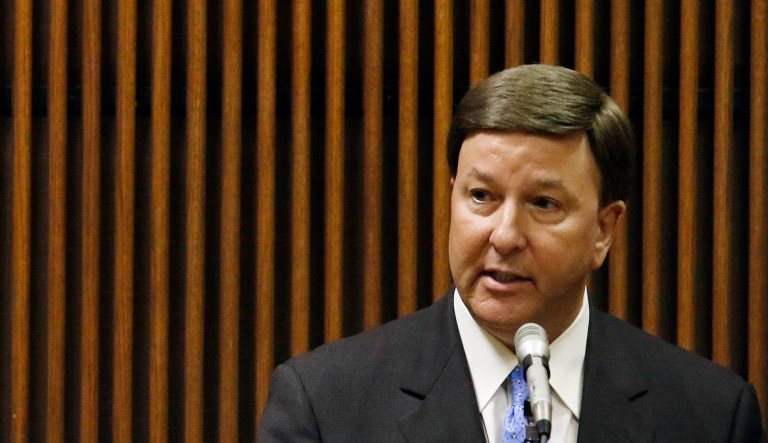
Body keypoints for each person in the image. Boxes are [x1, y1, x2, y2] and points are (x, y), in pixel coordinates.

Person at [258, 64, 765, 442]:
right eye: (481, 197)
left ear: (603, 230)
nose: (504, 236)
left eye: (543, 204)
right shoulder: (325, 405)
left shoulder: (711, 417)